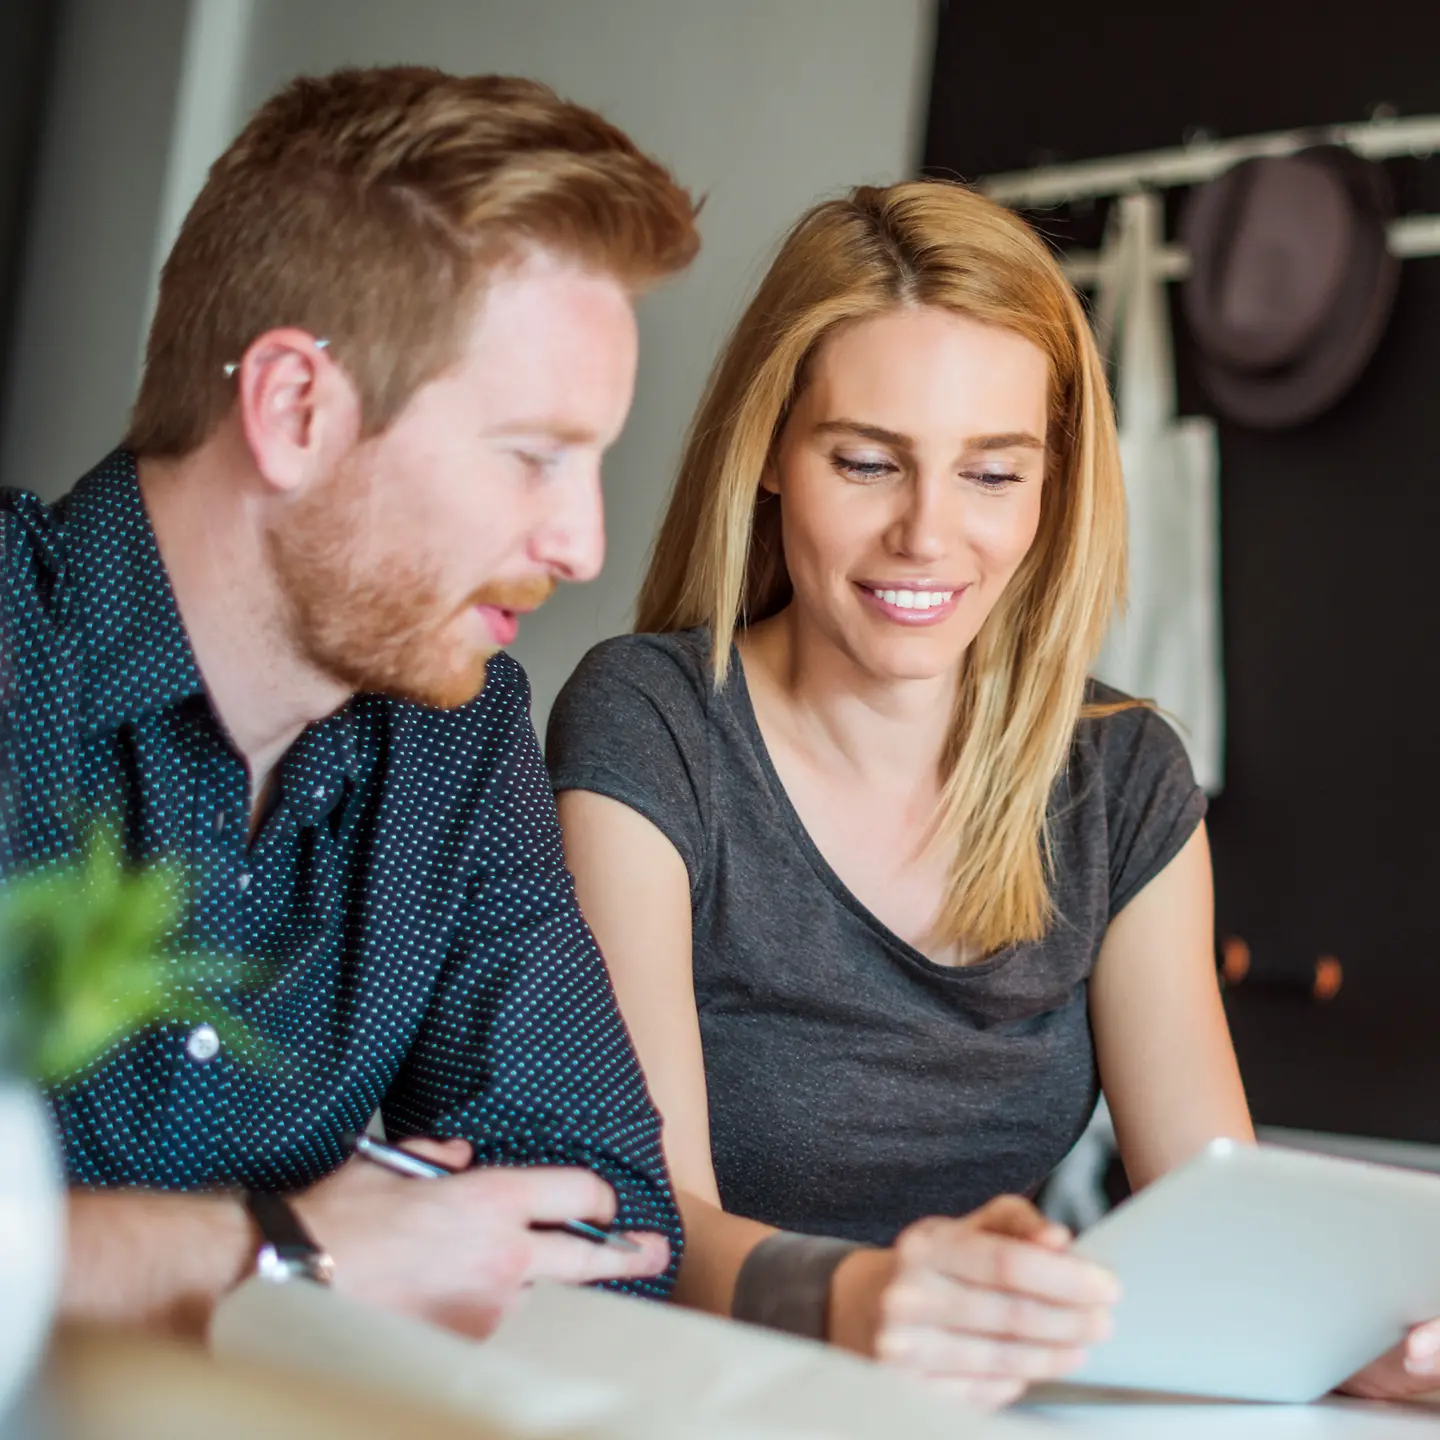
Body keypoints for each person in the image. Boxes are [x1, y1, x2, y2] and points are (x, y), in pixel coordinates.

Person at [547, 179, 1440, 1406]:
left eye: (992, 474)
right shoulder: (652, 722)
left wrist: (1352, 1343)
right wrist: (857, 1298)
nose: (929, 534)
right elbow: (647, 1224)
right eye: (866, 462)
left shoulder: (1122, 780)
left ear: (1054, 486)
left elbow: (1216, 1207)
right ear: (766, 455)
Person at [0, 66, 699, 1340]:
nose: (584, 542)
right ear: (293, 409)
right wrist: (289, 1248)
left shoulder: (455, 731)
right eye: (534, 455)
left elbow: (616, 1229)